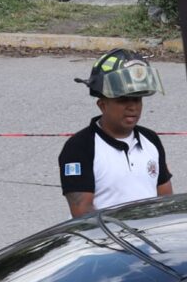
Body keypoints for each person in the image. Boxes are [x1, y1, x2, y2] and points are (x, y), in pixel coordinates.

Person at [58, 50, 173, 217]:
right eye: (123, 100)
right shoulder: (79, 148)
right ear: (102, 105)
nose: (132, 107)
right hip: (103, 241)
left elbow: (166, 200)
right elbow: (82, 214)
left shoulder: (151, 140)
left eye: (137, 99)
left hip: (148, 238)